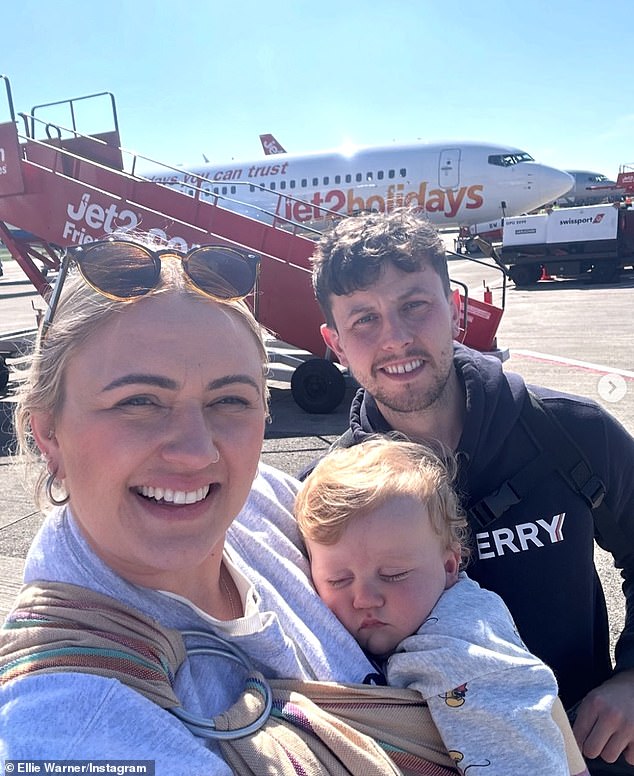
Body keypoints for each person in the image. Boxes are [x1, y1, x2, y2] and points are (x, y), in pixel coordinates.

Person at [0, 235, 419, 773]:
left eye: (229, 400)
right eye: (139, 402)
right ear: (48, 434)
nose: (197, 452)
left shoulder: (264, 503)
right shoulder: (69, 724)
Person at [310, 208, 634, 775]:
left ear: (455, 311)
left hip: (589, 746)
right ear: (335, 343)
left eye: (415, 305)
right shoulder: (333, 492)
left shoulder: (570, 432)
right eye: (364, 319)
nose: (396, 338)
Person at [296, 435, 579, 774]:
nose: (364, 599)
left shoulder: (460, 652)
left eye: (394, 574)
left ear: (449, 567)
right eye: (338, 580)